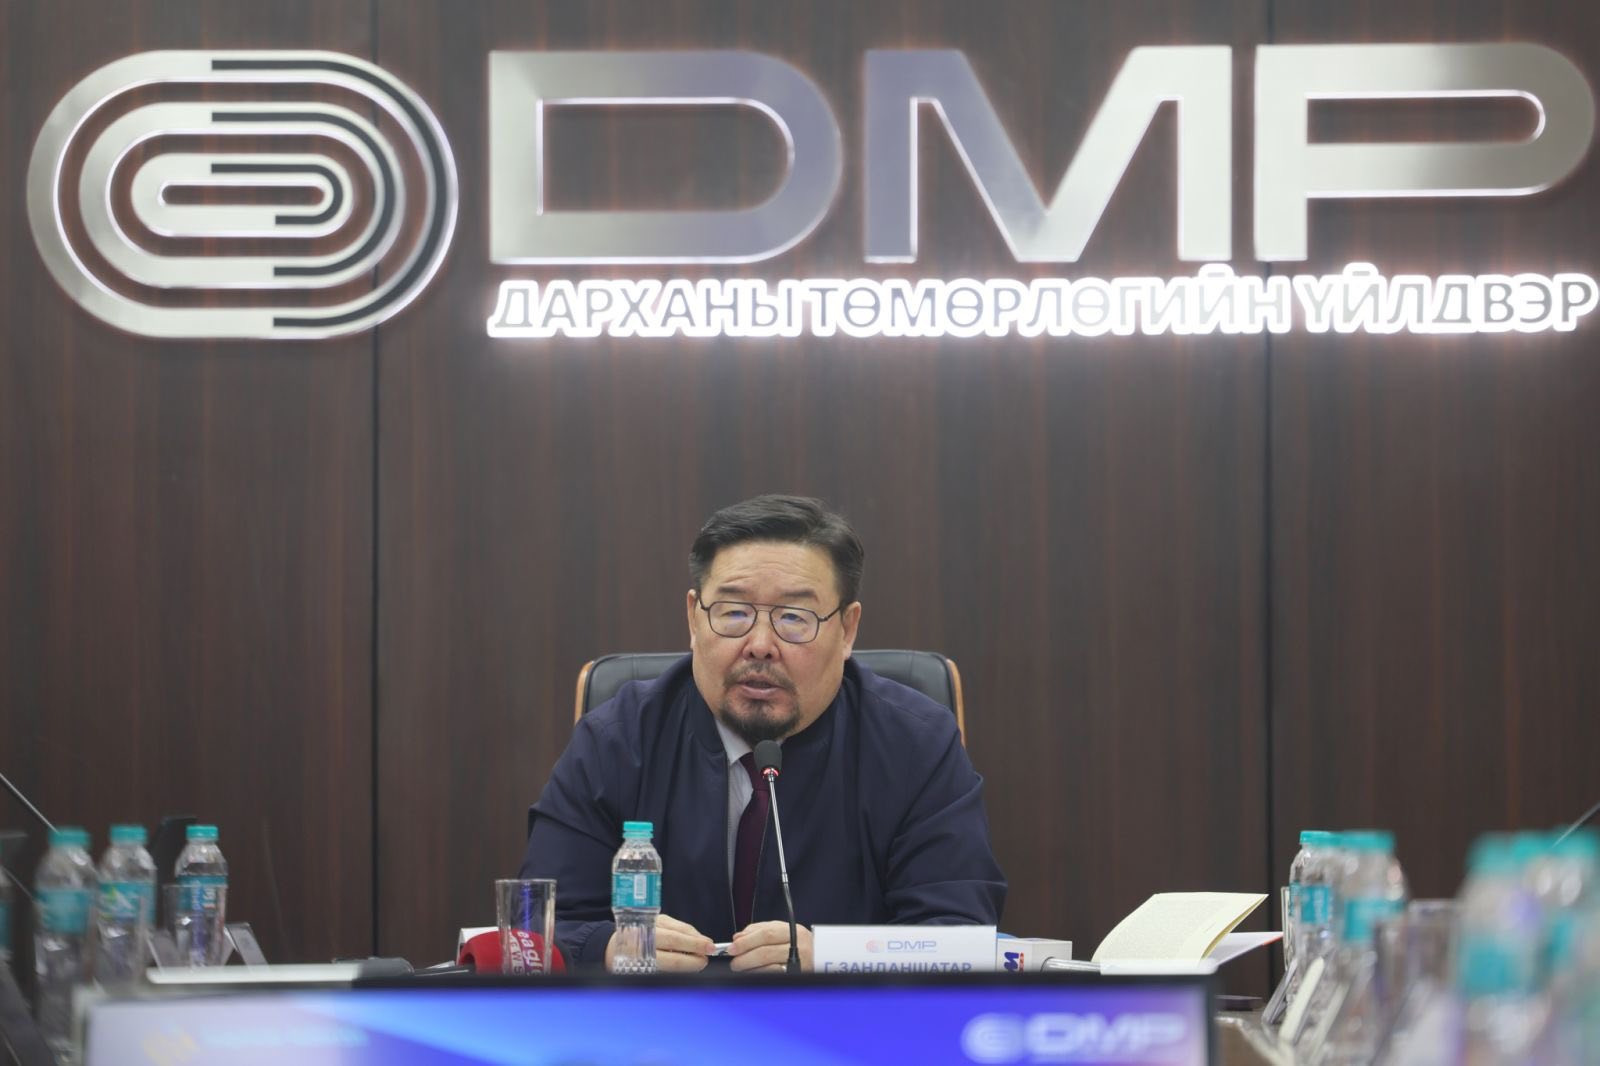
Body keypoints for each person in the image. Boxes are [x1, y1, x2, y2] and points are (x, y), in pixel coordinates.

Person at [519, 494, 1005, 972]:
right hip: (662, 1021)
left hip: (840, 1023)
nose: (759, 645)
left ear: (847, 630)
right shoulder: (616, 740)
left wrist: (832, 959)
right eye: (733, 612)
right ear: (693, 618)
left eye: (794, 617)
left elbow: (959, 934)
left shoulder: (916, 745)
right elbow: (537, 930)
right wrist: (611, 949)